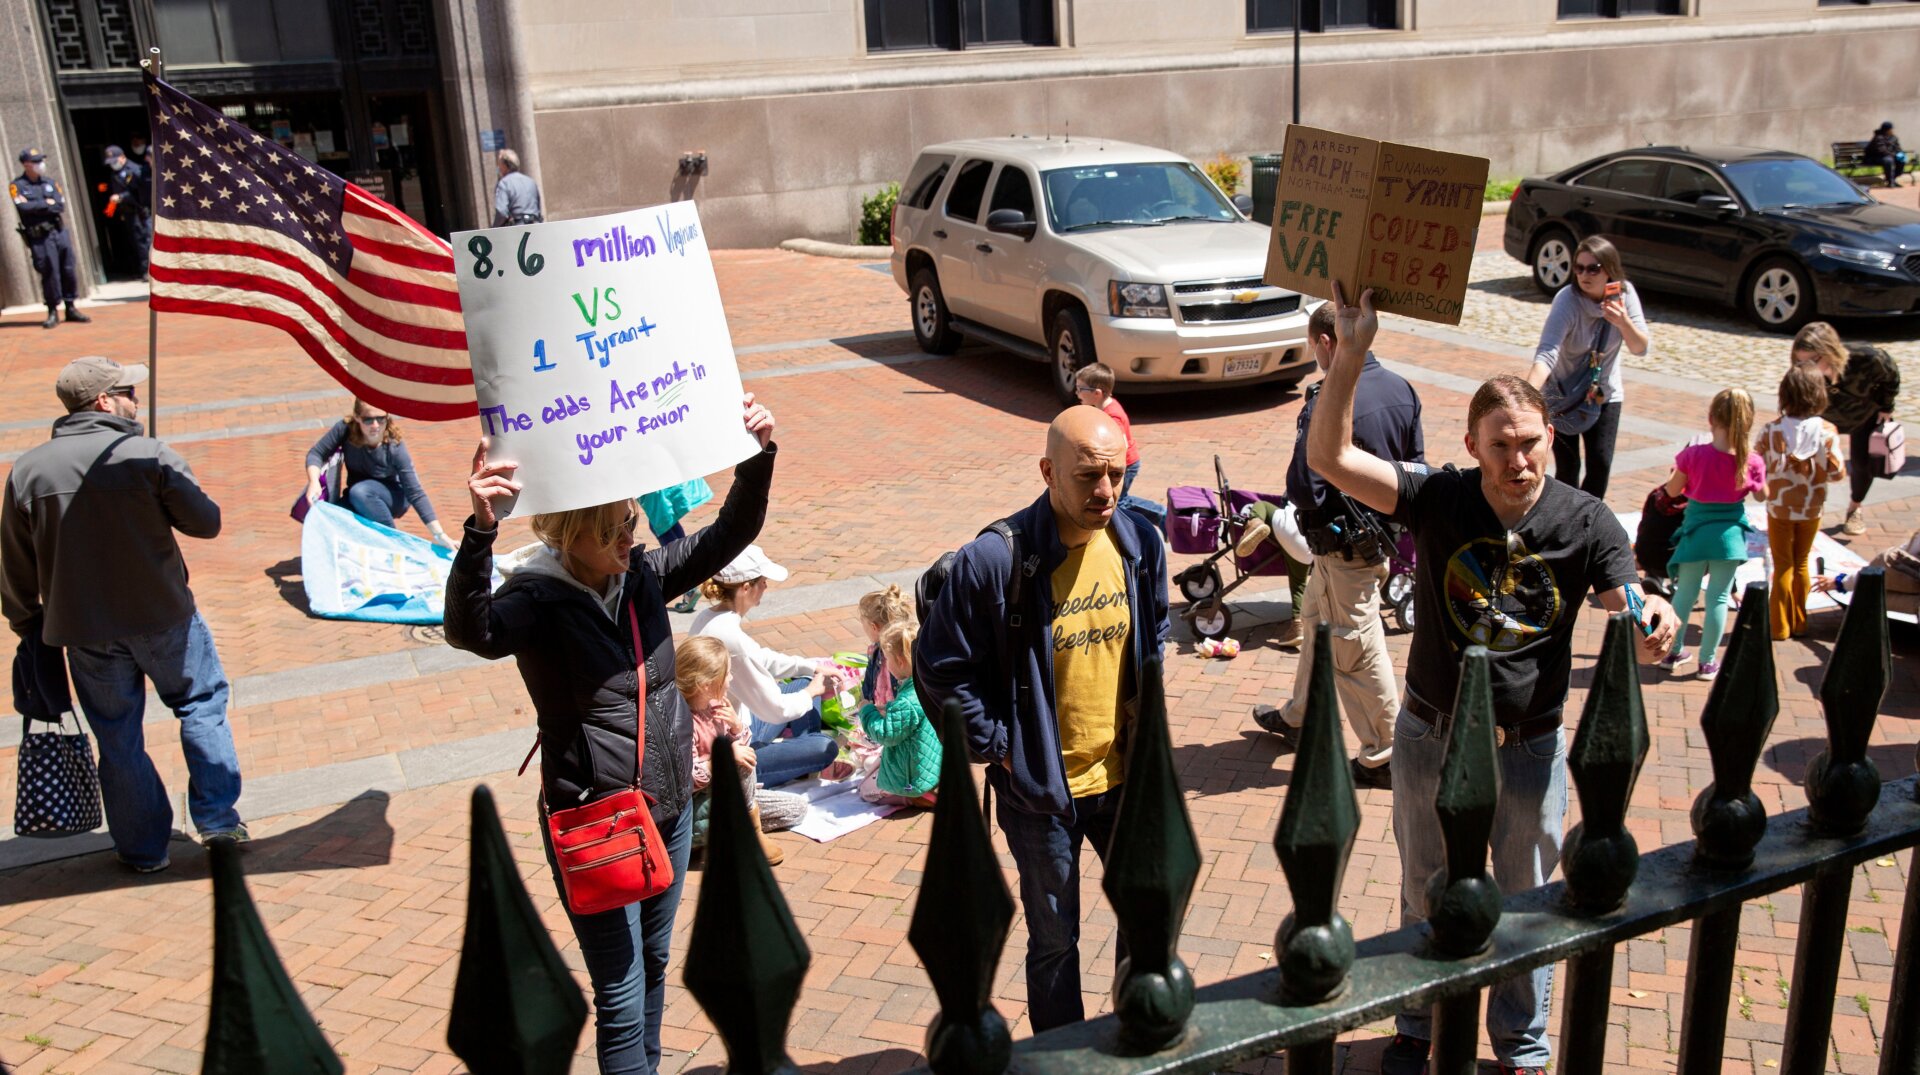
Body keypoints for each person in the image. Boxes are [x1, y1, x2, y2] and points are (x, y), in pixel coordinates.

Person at [1305, 284, 1676, 1075]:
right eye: (1500, 445)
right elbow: (1330, 459)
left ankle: (1521, 1045)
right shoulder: (1440, 497)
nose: (1519, 460)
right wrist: (1351, 356)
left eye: (1530, 442)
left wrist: (1651, 620)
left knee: (1527, 901)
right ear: (1472, 446)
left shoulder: (1586, 521)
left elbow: (1625, 596)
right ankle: (1417, 1023)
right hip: (1431, 731)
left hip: (1529, 747)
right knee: (1423, 886)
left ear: (1551, 435)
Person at [444, 393, 777, 1075]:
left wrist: (757, 455)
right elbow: (469, 630)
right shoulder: (534, 603)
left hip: (668, 806)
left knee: (655, 965)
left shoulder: (643, 579)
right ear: (571, 537)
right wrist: (479, 533)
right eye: (613, 530)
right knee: (621, 993)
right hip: (595, 820)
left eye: (629, 521)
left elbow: (729, 534)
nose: (632, 536)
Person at [918, 405, 1171, 1032]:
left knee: (1149, 914)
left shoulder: (1138, 543)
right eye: (1088, 476)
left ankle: (1134, 1031)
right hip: (1041, 795)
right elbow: (939, 669)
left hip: (1124, 782)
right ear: (1048, 472)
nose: (1106, 491)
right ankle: (1061, 1056)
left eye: (1115, 473)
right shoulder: (995, 561)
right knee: (1056, 943)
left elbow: (1158, 629)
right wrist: (1001, 745)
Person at [1, 356, 244, 872]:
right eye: (128, 390)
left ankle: (143, 848)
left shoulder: (28, 469)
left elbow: (14, 566)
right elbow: (206, 523)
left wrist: (28, 626)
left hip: (85, 630)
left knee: (116, 735)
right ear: (104, 401)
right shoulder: (148, 454)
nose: (136, 397)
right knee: (200, 705)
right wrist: (160, 475)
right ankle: (219, 819)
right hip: (164, 617)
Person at [1248, 300, 1425, 788]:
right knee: (1317, 623)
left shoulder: (1328, 397)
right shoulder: (1401, 389)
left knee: (1354, 646)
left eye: (1315, 348)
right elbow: (1415, 468)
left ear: (1328, 342)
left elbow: (1307, 485)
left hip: (1340, 545)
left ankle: (1386, 753)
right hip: (1377, 541)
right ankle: (1299, 716)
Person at [689, 547, 844, 788]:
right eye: (762, 582)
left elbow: (759, 657)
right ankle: (801, 757)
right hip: (736, 749)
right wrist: (814, 690)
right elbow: (775, 710)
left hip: (739, 725)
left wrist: (812, 667)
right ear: (746, 588)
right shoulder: (731, 637)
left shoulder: (710, 617)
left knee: (803, 681)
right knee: (826, 747)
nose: (766, 587)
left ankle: (799, 754)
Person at [1525, 236, 1649, 500]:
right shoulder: (1567, 300)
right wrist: (1527, 395)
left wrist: (1623, 321)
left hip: (1604, 394)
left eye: (1593, 268)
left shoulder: (1624, 295)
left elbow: (1641, 348)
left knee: (1600, 465)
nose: (1584, 274)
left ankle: (1589, 528)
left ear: (1610, 270)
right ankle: (1565, 526)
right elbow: (1548, 352)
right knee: (1568, 469)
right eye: (1579, 268)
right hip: (1561, 395)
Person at [1660, 389, 1766, 680]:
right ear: (1748, 423)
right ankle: (1707, 662)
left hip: (1695, 531)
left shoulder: (1693, 455)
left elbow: (1671, 491)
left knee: (1684, 593)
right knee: (1719, 597)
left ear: (1711, 418)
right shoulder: (1751, 461)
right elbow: (1762, 495)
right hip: (1729, 536)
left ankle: (1672, 652)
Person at [676, 634, 787, 866]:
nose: (731, 679)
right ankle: (746, 836)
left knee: (795, 810)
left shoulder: (717, 706)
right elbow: (688, 779)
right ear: (706, 684)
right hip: (698, 804)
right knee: (740, 761)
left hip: (729, 795)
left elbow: (743, 745)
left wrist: (736, 726)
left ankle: (742, 825)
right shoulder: (683, 722)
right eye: (727, 674)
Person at [1759, 368, 1846, 640]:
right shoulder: (1827, 432)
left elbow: (1756, 464)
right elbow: (1838, 473)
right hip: (1811, 508)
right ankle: (1799, 621)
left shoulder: (1771, 430)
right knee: (1801, 563)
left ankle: (1778, 625)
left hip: (1779, 507)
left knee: (1782, 563)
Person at [1790, 322, 1900, 535]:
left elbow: (1891, 376)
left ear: (1829, 352)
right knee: (1811, 462)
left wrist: (1887, 405)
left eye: (1813, 360)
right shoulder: (1803, 371)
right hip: (1825, 416)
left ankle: (1855, 508)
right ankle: (1810, 511)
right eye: (1800, 362)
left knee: (1862, 463)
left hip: (1865, 414)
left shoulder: (1867, 358)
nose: (1806, 368)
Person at [303, 399, 451, 545]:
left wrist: (439, 535)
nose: (375, 425)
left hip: (393, 497)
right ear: (357, 418)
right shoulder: (345, 429)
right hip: (357, 496)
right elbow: (316, 453)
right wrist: (314, 482)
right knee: (332, 518)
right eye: (368, 420)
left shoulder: (394, 447)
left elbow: (415, 492)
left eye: (381, 419)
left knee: (361, 492)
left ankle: (395, 543)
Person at [858, 620, 939, 804]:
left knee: (866, 791)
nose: (885, 664)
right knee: (874, 765)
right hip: (929, 763)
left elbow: (885, 734)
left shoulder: (906, 701)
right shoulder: (928, 685)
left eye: (887, 659)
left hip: (912, 777)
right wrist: (887, 710)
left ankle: (914, 797)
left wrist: (866, 710)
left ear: (900, 662)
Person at [10, 147, 90, 330]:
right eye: (36, 161)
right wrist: (46, 204)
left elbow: (59, 205)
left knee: (68, 268)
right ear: (26, 164)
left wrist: (39, 205)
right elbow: (23, 208)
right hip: (40, 237)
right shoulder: (17, 185)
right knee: (49, 271)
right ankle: (53, 309)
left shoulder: (50, 182)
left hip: (59, 232)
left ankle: (70, 306)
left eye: (41, 160)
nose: (41, 164)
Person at [1232, 498, 1313, 648]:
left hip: (1287, 526)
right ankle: (1298, 625)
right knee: (1299, 584)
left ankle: (1255, 523)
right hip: (1311, 541)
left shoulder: (1297, 486)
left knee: (1261, 504)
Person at [640, 479, 712, 612]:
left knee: (660, 524)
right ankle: (694, 568)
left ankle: (690, 584)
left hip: (649, 480)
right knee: (666, 521)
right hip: (659, 477)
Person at [1073, 363, 1141, 500]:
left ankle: (1162, 514)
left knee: (1119, 502)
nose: (1076, 392)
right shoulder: (1103, 406)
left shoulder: (1112, 416)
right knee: (1120, 501)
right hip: (1123, 464)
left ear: (1096, 393)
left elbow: (1122, 445)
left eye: (1080, 389)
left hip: (1125, 466)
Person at [856, 584, 915, 704]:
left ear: (874, 627)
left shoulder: (900, 655)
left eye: (863, 624)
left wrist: (866, 709)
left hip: (896, 717)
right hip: (881, 712)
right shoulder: (876, 651)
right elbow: (868, 685)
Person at [102, 144, 149, 281]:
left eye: (115, 161)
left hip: (138, 212)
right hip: (127, 213)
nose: (113, 165)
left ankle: (147, 270)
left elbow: (139, 192)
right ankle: (137, 269)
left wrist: (122, 197)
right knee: (134, 242)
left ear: (122, 158)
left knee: (143, 241)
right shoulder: (115, 173)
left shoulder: (135, 170)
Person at [492, 148, 543, 226]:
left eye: (499, 164)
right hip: (536, 226)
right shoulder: (531, 181)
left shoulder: (504, 183)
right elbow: (538, 207)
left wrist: (494, 229)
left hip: (517, 230)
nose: (498, 168)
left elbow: (501, 213)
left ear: (505, 165)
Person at [1866, 121, 1907, 188]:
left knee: (1901, 159)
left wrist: (1900, 154)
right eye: (1891, 129)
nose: (1892, 130)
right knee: (1888, 160)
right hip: (1875, 157)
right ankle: (1890, 182)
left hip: (1889, 156)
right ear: (1887, 130)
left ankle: (1893, 179)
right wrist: (1894, 155)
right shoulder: (1878, 138)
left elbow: (1898, 148)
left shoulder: (1893, 137)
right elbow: (1881, 151)